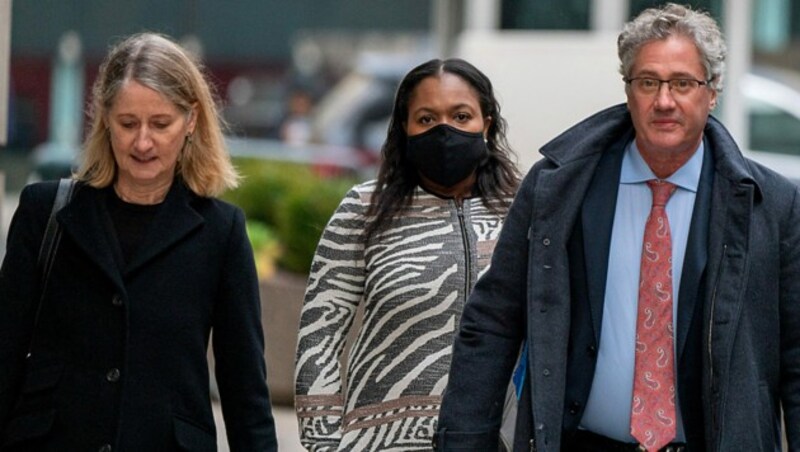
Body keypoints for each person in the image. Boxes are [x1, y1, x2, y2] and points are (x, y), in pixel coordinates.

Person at [435, 3, 799, 452]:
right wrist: (465, 441)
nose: (664, 101)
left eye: (683, 83)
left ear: (713, 91)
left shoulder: (773, 205)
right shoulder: (559, 188)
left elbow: (795, 358)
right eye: (648, 82)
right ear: (628, 90)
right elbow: (492, 321)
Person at [0, 33, 277, 451]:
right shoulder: (46, 214)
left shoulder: (222, 232)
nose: (142, 142)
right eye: (128, 124)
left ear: (191, 121)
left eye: (160, 124)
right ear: (105, 120)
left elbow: (245, 391)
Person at [294, 58, 520, 451]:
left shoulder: (523, 213)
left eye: (461, 115)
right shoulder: (363, 209)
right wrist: (325, 443)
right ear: (404, 127)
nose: (444, 130)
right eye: (427, 119)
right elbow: (320, 336)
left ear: (486, 123)